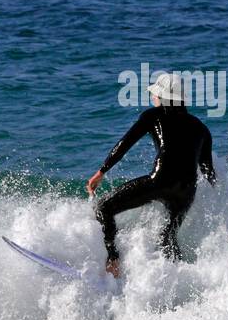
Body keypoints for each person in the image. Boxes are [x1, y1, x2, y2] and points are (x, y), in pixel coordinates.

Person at [87, 72, 216, 277]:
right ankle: (180, 280)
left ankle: (113, 262)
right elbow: (209, 173)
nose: (152, 97)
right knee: (167, 237)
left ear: (163, 97)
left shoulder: (153, 115)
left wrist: (101, 172)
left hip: (160, 180)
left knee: (104, 207)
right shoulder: (202, 128)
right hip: (186, 192)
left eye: (155, 94)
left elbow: (125, 144)